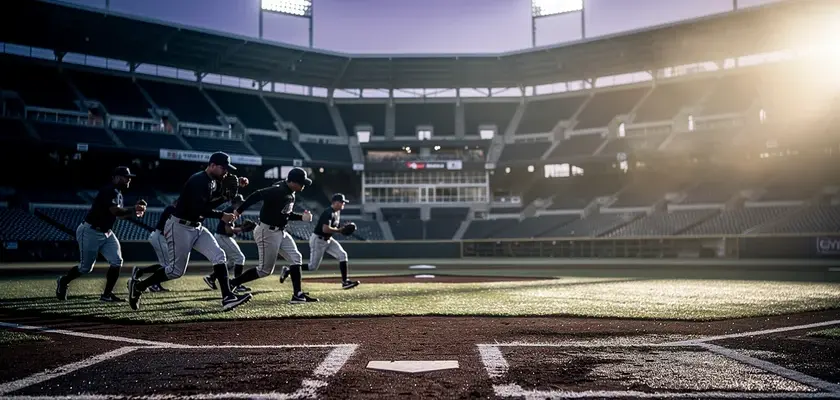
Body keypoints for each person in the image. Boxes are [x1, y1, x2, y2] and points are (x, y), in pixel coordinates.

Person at [128, 152, 252, 311]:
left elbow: (208, 205)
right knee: (175, 271)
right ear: (212, 165)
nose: (226, 172)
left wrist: (225, 197)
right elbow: (197, 209)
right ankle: (139, 287)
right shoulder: (198, 180)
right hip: (180, 227)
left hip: (197, 227)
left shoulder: (212, 182)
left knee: (219, 255)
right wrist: (222, 215)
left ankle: (228, 297)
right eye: (223, 168)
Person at [227, 168, 318, 304]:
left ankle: (298, 295)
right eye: (301, 182)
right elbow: (257, 194)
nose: (303, 185)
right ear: (293, 181)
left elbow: (285, 214)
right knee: (264, 270)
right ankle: (233, 283)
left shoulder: (289, 191)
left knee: (296, 258)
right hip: (267, 231)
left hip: (280, 231)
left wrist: (301, 217)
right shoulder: (279, 190)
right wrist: (239, 210)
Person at [56, 166, 146, 302]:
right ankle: (63, 281)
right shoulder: (109, 191)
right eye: (124, 176)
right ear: (115, 177)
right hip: (90, 231)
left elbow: (119, 216)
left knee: (117, 261)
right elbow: (115, 211)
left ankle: (106, 295)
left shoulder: (118, 193)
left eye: (128, 177)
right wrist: (134, 209)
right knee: (86, 268)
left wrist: (134, 211)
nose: (128, 179)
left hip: (106, 232)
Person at [302, 193, 359, 290]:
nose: (343, 204)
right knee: (312, 267)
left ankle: (345, 282)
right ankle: (289, 269)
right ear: (336, 202)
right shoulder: (328, 212)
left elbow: (334, 227)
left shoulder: (337, 213)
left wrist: (342, 228)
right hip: (318, 240)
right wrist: (340, 230)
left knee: (342, 255)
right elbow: (325, 229)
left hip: (328, 239)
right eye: (342, 202)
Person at [203, 194, 250, 293]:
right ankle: (237, 284)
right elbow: (228, 230)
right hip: (223, 237)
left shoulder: (232, 210)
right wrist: (242, 229)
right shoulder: (230, 210)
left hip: (223, 236)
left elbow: (230, 228)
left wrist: (240, 227)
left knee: (232, 262)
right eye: (240, 203)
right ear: (235, 203)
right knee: (240, 258)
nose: (242, 205)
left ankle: (211, 278)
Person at [130, 200, 178, 292]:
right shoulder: (171, 208)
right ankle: (154, 284)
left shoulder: (173, 209)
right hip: (160, 236)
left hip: (161, 237)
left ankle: (140, 271)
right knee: (167, 266)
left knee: (166, 265)